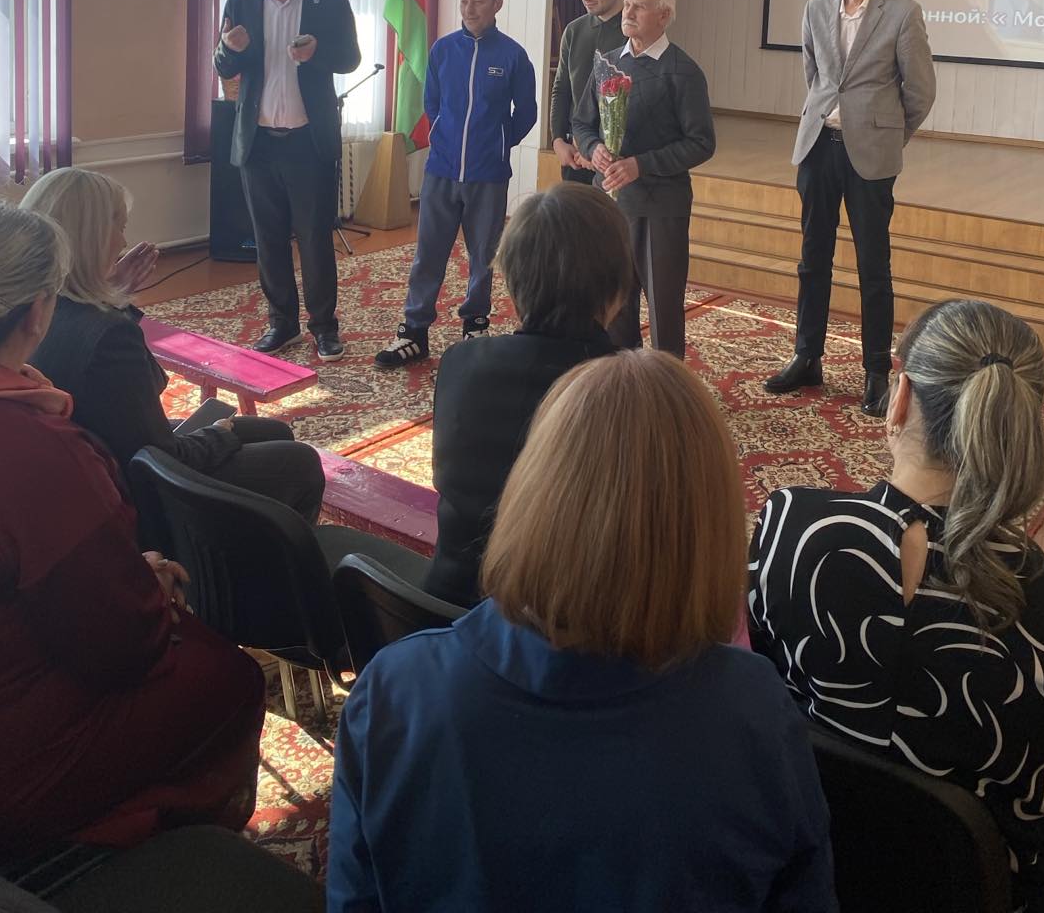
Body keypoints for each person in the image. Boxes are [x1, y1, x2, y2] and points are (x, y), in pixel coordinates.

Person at [328, 349, 838, 913]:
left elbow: (355, 898)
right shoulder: (753, 714)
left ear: (531, 491)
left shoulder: (393, 693)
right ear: (709, 528)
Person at [748, 297, 1044, 913]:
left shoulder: (789, 529)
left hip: (820, 867)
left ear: (899, 398)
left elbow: (773, 686)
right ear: (1024, 422)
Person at [0, 194, 265, 861]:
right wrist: (148, 584)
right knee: (229, 677)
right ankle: (152, 861)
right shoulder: (27, 449)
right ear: (37, 312)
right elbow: (122, 646)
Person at [22, 168, 325, 525]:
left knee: (273, 432)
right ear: (91, 237)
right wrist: (219, 435)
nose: (122, 242)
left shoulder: (36, 309)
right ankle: (239, 553)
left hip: (96, 462)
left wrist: (113, 296)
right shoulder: (110, 336)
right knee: (301, 462)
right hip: (137, 489)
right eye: (118, 226)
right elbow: (163, 453)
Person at [425, 182, 633, 605]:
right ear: (618, 287)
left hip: (444, 604)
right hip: (557, 627)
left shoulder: (460, 362)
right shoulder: (634, 393)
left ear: (511, 278)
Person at [764, 0, 936, 414]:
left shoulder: (902, 13)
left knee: (873, 266)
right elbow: (816, 75)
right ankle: (807, 357)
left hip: (871, 154)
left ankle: (876, 371)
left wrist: (889, 135)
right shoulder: (816, 9)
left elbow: (920, 91)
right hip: (818, 146)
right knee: (812, 258)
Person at [214, 0, 360, 362]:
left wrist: (317, 54)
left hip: (307, 142)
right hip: (257, 142)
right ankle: (282, 324)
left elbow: (350, 59)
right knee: (268, 239)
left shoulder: (329, 0)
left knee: (314, 239)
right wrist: (230, 50)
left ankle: (324, 327)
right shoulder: (240, 2)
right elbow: (222, 66)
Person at [375, 0, 536, 369]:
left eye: (478, 1)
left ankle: (474, 325)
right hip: (441, 171)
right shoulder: (443, 50)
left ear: (497, 5)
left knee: (483, 255)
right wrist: (444, 138)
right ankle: (414, 331)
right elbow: (432, 103)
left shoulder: (513, 56)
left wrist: (499, 143)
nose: (469, 8)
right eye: (464, 1)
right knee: (428, 252)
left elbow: (527, 112)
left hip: (488, 175)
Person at [572, 0, 714, 358]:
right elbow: (582, 123)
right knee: (614, 303)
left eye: (640, 6)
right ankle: (622, 379)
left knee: (663, 306)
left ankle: (667, 385)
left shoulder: (683, 71)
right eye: (629, 4)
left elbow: (702, 143)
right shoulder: (607, 63)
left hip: (661, 205)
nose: (629, 12)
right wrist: (594, 149)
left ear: (664, 16)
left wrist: (642, 165)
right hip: (611, 203)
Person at [549, 0, 626, 183]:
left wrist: (598, 150)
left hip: (619, 158)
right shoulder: (574, 30)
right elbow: (561, 88)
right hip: (575, 152)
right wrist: (558, 140)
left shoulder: (634, 31)